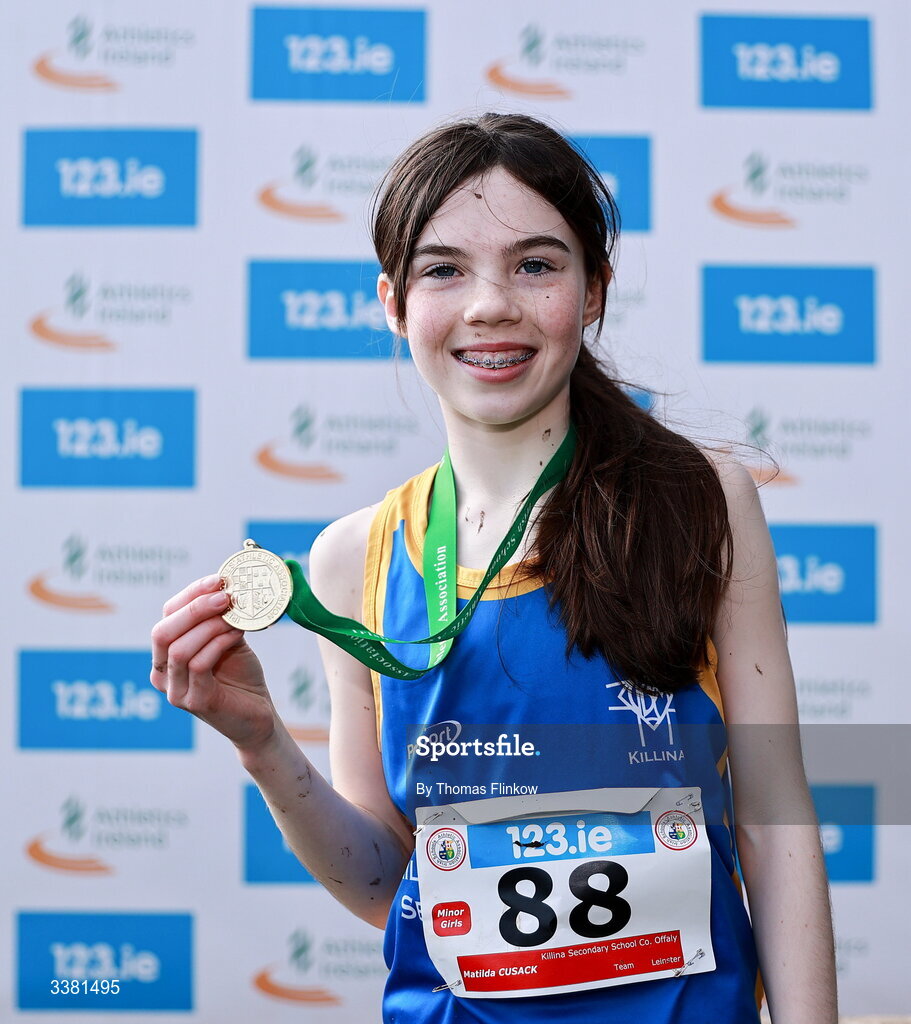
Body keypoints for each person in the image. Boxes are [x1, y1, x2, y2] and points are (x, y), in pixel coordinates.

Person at [150, 113, 837, 1022]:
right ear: (392, 303)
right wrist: (263, 745)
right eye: (445, 270)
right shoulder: (355, 555)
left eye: (536, 265)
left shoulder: (701, 502)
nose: (490, 306)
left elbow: (773, 822)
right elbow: (383, 884)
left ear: (593, 290)